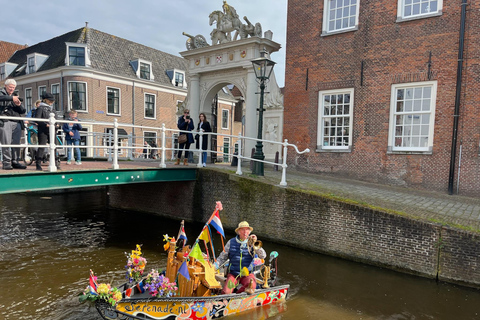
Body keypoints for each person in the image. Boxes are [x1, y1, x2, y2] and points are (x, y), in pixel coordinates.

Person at [216, 221, 266, 295]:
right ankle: (230, 298)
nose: (245, 232)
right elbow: (222, 258)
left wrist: (256, 244)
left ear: (249, 232)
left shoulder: (252, 243)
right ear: (238, 231)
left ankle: (237, 296)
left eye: (247, 230)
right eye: (242, 229)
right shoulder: (231, 242)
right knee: (226, 292)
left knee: (252, 286)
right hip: (233, 273)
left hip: (248, 274)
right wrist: (214, 266)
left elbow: (263, 256)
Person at [0, 79, 26, 170]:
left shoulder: (15, 96)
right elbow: (1, 98)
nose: (12, 89)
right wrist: (12, 98)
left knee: (16, 143)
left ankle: (15, 161)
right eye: (10, 87)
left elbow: (23, 111)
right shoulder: (2, 93)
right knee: (6, 142)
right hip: (5, 121)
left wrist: (19, 104)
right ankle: (6, 163)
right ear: (6, 86)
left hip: (17, 122)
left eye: (13, 87)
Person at [35, 93, 59, 171]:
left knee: (54, 146)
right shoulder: (41, 108)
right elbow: (37, 119)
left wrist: (57, 124)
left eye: (52, 100)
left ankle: (55, 162)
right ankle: (38, 163)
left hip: (52, 130)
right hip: (43, 130)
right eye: (50, 100)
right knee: (42, 146)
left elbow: (56, 118)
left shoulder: (52, 109)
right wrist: (45, 125)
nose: (51, 102)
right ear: (45, 100)